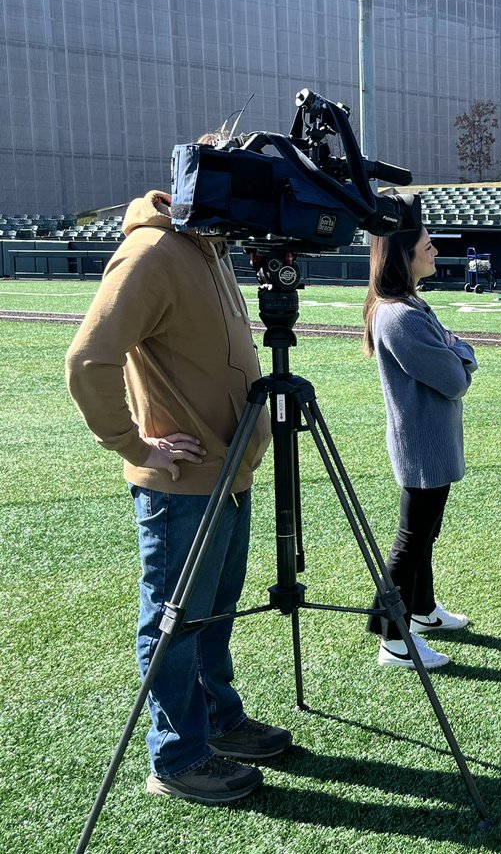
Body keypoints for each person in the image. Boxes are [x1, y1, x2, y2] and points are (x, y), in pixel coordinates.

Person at [65, 185, 290, 805]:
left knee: (214, 610)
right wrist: (134, 446)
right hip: (183, 485)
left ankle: (218, 720)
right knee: (175, 619)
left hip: (230, 474)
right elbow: (88, 360)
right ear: (209, 187)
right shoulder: (152, 252)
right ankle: (177, 758)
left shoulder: (212, 247)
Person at [362, 201, 477, 670]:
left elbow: (455, 352)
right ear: (404, 254)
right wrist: (460, 353)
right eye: (426, 245)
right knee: (412, 539)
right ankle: (393, 637)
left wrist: (456, 349)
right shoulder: (400, 315)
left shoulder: (409, 305)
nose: (435, 251)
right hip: (422, 445)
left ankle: (423, 611)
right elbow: (455, 378)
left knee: (424, 533)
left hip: (430, 441)